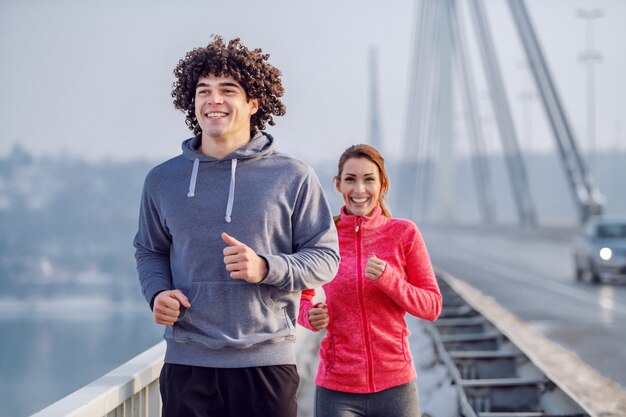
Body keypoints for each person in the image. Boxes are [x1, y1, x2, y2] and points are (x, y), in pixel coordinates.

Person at [133, 36, 340, 417]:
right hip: (187, 363)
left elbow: (326, 258)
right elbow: (150, 249)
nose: (213, 100)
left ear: (254, 103)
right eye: (203, 90)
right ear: (191, 101)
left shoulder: (292, 176)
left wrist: (266, 267)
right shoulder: (162, 180)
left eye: (227, 90)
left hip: (266, 362)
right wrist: (157, 292)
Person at [298, 144, 442, 417]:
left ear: (383, 184)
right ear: (338, 184)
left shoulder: (404, 233)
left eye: (369, 180)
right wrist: (309, 315)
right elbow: (300, 299)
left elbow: (432, 306)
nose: (359, 190)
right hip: (337, 388)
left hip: (396, 387)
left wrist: (390, 279)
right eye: (351, 179)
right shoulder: (322, 238)